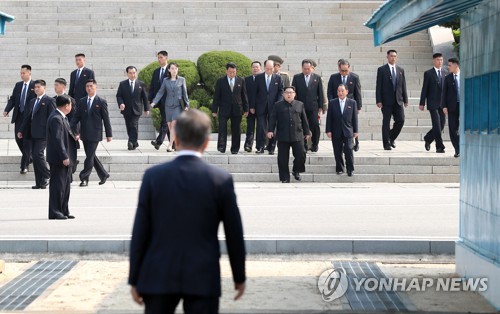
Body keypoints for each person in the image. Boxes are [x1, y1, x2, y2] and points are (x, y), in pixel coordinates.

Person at [129, 109, 246, 314]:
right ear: (206, 142)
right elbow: (234, 234)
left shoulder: (153, 177)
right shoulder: (220, 180)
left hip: (159, 273)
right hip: (203, 273)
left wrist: (135, 277)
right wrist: (239, 276)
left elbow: (140, 231)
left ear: (176, 138)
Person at [70, 79, 112, 187]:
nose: (89, 88)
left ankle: (84, 178)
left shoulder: (101, 102)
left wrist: (109, 134)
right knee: (91, 155)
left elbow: (106, 119)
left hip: (95, 134)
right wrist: (69, 126)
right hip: (84, 133)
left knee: (89, 157)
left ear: (95, 87)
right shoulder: (82, 101)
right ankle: (103, 174)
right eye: (87, 86)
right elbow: (76, 116)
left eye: (91, 86)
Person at [267, 86, 311, 183]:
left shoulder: (300, 105)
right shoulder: (278, 105)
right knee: (282, 158)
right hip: (283, 135)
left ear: (294, 94)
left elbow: (304, 119)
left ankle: (296, 170)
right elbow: (273, 119)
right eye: (287, 92)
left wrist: (307, 132)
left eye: (291, 92)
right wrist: (270, 130)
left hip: (297, 134)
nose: (289, 94)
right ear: (283, 94)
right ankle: (284, 177)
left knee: (301, 154)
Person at [18, 80, 56, 189]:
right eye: (35, 87)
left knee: (37, 154)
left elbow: (52, 118)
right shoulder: (32, 101)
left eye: (39, 87)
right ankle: (39, 182)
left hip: (43, 133)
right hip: (31, 133)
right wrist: (21, 130)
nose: (36, 89)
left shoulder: (49, 101)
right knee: (34, 157)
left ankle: (48, 175)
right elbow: (27, 118)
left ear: (44, 88)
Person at [3, 64, 36, 174]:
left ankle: (24, 166)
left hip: (30, 118)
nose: (21, 75)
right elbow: (13, 99)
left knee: (27, 141)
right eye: (20, 73)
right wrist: (7, 109)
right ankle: (29, 157)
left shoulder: (35, 85)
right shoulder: (18, 85)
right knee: (18, 139)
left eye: (23, 73)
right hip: (19, 116)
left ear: (29, 73)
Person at [46, 95, 75, 220]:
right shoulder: (56, 118)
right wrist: (64, 155)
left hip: (65, 157)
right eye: (70, 105)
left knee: (65, 186)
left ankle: (64, 209)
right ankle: (55, 211)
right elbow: (58, 140)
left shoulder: (62, 117)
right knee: (58, 186)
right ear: (67, 105)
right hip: (58, 158)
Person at [151, 62, 189, 152]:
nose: (174, 70)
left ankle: (169, 145)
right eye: (172, 68)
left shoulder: (182, 80)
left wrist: (187, 105)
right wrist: (154, 102)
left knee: (174, 124)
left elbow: (185, 93)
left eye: (176, 68)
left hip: (178, 106)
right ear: (169, 70)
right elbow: (161, 92)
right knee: (170, 127)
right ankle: (178, 145)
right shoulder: (165, 80)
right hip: (168, 106)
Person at [211, 62, 249, 154]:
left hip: (237, 109)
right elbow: (216, 96)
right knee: (222, 128)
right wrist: (214, 110)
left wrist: (246, 109)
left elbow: (244, 96)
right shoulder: (220, 81)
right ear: (226, 71)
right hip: (224, 108)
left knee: (236, 129)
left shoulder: (241, 80)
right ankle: (221, 146)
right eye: (230, 72)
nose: (232, 74)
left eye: (234, 72)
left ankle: (235, 148)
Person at [327, 59, 362, 152]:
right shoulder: (333, 77)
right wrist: (332, 103)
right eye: (342, 70)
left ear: (349, 68)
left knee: (351, 124)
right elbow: (329, 91)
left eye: (346, 70)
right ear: (339, 69)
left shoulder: (354, 77)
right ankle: (341, 145)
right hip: (336, 105)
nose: (344, 72)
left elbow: (358, 93)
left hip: (350, 106)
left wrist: (359, 106)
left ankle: (356, 141)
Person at [376, 49, 408, 150]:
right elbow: (378, 86)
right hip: (386, 101)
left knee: (401, 120)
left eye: (394, 56)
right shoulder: (382, 70)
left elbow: (403, 86)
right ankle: (386, 144)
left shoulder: (400, 70)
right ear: (387, 57)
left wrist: (406, 99)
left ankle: (391, 137)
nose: (393, 58)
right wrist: (378, 100)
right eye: (391, 56)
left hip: (398, 100)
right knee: (386, 122)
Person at [292, 59, 325, 152]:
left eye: (308, 68)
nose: (307, 70)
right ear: (302, 68)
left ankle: (315, 144)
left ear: (311, 68)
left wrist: (321, 107)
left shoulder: (317, 78)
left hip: (313, 107)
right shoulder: (297, 77)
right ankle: (304, 145)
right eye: (305, 68)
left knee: (314, 125)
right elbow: (294, 92)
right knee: (301, 126)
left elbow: (320, 93)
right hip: (300, 107)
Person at [325, 84, 359, 177]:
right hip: (336, 131)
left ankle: (350, 169)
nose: (340, 93)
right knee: (337, 150)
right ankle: (339, 168)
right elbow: (329, 118)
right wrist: (328, 130)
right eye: (339, 91)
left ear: (347, 92)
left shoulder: (352, 103)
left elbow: (355, 118)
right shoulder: (332, 102)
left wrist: (356, 131)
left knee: (348, 149)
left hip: (348, 130)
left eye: (342, 91)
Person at [252, 59, 283, 155]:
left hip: (274, 106)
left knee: (272, 127)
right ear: (264, 68)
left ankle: (271, 147)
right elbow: (254, 93)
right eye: (267, 68)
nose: (269, 70)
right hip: (261, 106)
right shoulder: (258, 78)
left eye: (271, 69)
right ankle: (260, 146)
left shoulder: (278, 78)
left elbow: (281, 92)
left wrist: (278, 103)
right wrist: (252, 106)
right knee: (261, 127)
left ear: (274, 68)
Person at [116, 66, 150, 150]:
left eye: (134, 73)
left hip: (137, 109)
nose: (132, 75)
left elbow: (145, 97)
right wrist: (121, 103)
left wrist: (147, 109)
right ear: (127, 74)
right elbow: (119, 96)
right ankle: (135, 142)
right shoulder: (122, 84)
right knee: (129, 126)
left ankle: (130, 142)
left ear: (136, 73)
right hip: (126, 109)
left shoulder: (141, 84)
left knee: (133, 125)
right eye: (130, 73)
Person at [419, 53, 447, 153]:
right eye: (438, 60)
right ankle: (439, 146)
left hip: (442, 104)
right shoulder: (428, 73)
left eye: (441, 60)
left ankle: (428, 138)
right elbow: (424, 89)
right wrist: (422, 102)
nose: (440, 62)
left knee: (442, 125)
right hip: (432, 103)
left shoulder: (444, 72)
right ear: (434, 61)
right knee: (436, 125)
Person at [54, 78, 80, 175]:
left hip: (68, 131)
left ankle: (71, 168)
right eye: (54, 85)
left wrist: (76, 132)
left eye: (57, 85)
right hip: (58, 130)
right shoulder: (53, 99)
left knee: (68, 152)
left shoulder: (70, 100)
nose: (55, 87)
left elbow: (75, 117)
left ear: (63, 87)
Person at [149, 50, 170, 150]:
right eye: (158, 57)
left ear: (166, 58)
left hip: (170, 101)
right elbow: (152, 87)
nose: (159, 59)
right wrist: (150, 99)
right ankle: (174, 144)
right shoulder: (156, 72)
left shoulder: (171, 70)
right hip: (159, 101)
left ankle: (158, 142)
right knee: (166, 121)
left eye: (161, 57)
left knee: (165, 121)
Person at [441, 57, 461, 158]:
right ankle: (457, 149)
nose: (448, 67)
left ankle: (462, 147)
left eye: (450, 65)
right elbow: (444, 93)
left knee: (463, 128)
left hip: (463, 106)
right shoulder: (448, 78)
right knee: (453, 128)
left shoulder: (464, 76)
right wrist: (444, 106)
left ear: (456, 65)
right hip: (452, 106)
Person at [243, 61, 262, 152]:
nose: (255, 69)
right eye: (254, 67)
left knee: (260, 128)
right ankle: (248, 145)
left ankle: (260, 146)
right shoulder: (246, 79)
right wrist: (248, 107)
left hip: (261, 108)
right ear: (251, 69)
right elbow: (244, 94)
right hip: (250, 107)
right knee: (250, 128)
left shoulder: (263, 79)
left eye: (257, 67)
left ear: (260, 69)